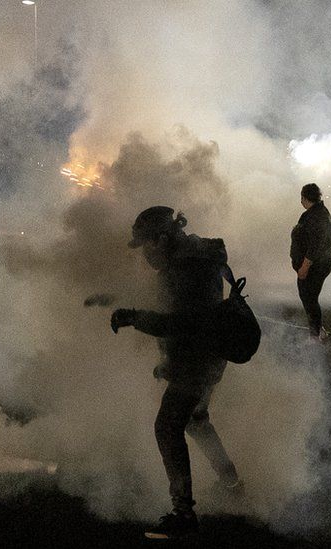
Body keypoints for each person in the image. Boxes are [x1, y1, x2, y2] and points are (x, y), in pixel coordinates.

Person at [110, 206, 241, 540]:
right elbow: (194, 320)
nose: (145, 255)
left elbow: (183, 323)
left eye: (147, 246)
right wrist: (170, 360)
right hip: (207, 357)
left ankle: (183, 515)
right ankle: (231, 480)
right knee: (196, 420)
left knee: (167, 427)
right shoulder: (197, 257)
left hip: (199, 360)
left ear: (163, 238)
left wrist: (133, 317)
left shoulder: (186, 267)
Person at [290, 183, 331, 341]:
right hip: (317, 264)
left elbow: (315, 246)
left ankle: (314, 336)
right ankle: (318, 329)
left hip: (315, 266)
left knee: (309, 298)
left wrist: (304, 266)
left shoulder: (316, 216)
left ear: (304, 197)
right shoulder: (316, 212)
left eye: (301, 197)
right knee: (309, 297)